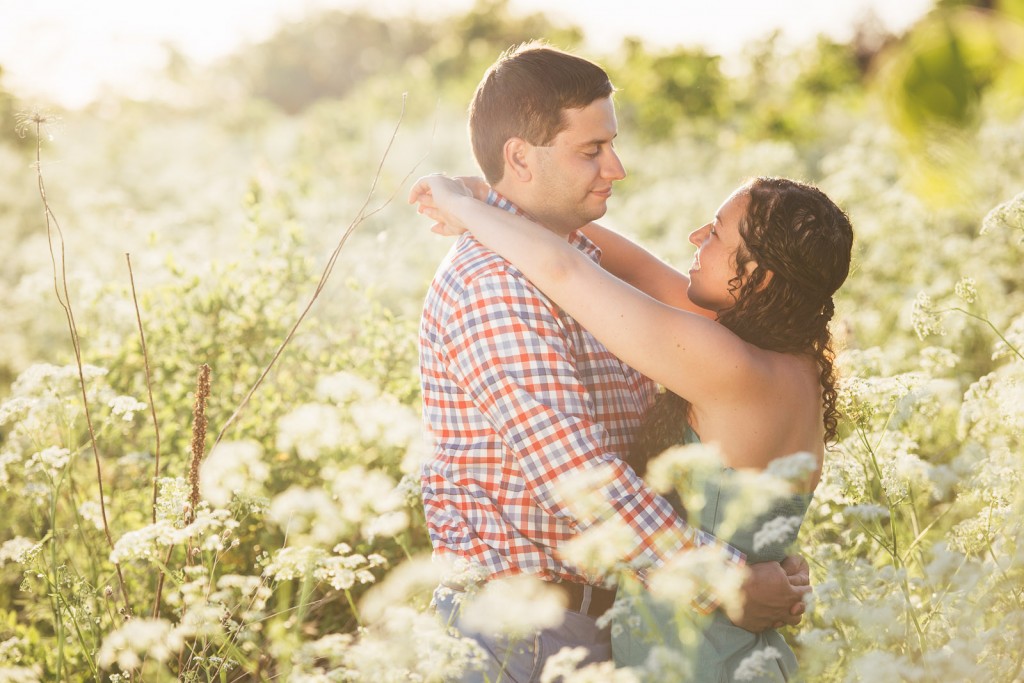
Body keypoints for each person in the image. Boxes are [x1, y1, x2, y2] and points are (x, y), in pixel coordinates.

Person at [414, 41, 810, 683]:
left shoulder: (580, 263)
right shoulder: (495, 283)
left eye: (612, 144)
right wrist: (729, 578)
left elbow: (642, 450)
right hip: (524, 632)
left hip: (609, 612)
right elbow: (580, 478)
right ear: (520, 156)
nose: (616, 167)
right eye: (591, 150)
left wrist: (762, 552)